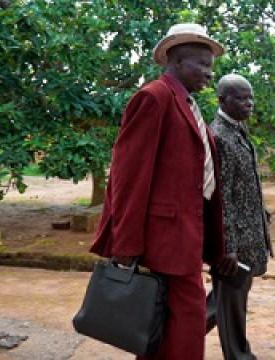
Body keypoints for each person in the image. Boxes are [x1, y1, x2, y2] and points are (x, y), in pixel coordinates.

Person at [90, 23, 226, 360]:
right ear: (178, 61)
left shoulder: (188, 105)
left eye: (211, 67)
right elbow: (128, 176)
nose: (210, 74)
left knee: (162, 330)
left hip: (186, 239)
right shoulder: (154, 98)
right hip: (161, 241)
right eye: (203, 65)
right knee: (181, 326)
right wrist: (126, 245)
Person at [206, 74, 273, 360]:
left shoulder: (238, 130)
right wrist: (227, 247)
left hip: (249, 236)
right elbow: (221, 200)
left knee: (220, 304)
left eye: (251, 97)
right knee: (232, 307)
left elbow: (245, 185)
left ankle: (166, 339)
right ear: (223, 100)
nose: (249, 103)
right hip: (234, 245)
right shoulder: (219, 136)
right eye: (241, 98)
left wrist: (262, 213)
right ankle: (240, 357)